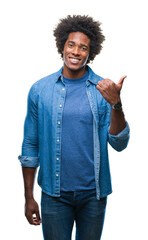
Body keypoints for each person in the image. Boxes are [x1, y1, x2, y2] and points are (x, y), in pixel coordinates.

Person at [18, 15, 130, 240]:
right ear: (62, 46)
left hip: (93, 195)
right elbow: (30, 146)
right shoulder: (40, 90)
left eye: (83, 47)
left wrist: (116, 104)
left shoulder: (103, 90)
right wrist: (29, 197)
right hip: (54, 195)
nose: (76, 52)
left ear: (91, 53)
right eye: (71, 45)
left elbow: (119, 143)